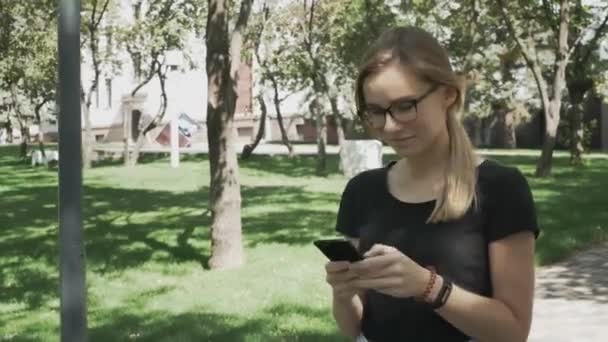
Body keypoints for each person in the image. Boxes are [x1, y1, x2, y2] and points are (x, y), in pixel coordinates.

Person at [325, 26, 539, 342]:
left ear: (448, 95)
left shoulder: (500, 189)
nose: (390, 126)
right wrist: (344, 295)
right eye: (376, 111)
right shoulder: (362, 191)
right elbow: (353, 328)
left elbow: (513, 331)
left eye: (404, 106)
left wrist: (428, 287)